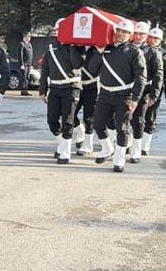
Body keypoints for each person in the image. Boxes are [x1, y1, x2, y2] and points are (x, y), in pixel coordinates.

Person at [87, 20, 146, 172]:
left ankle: (119, 160)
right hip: (105, 94)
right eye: (118, 30)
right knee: (98, 123)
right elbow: (92, 69)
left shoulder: (135, 52)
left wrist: (135, 99)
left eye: (124, 31)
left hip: (124, 95)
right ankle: (108, 148)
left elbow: (140, 77)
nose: (120, 33)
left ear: (129, 34)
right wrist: (98, 53)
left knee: (122, 128)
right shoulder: (105, 49)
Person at [39, 19, 85, 164]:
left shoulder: (77, 46)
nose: (59, 33)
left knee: (67, 120)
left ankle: (65, 152)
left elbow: (77, 64)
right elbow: (45, 68)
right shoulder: (51, 46)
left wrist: (71, 46)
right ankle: (62, 143)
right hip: (55, 88)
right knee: (52, 120)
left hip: (71, 87)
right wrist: (42, 89)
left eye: (63, 30)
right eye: (58, 30)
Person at [127, 22, 163, 164]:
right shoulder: (126, 48)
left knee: (138, 120)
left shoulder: (153, 53)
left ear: (146, 35)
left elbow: (158, 75)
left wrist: (154, 94)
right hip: (125, 90)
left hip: (144, 91)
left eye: (142, 34)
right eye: (136, 33)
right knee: (121, 120)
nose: (138, 36)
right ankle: (125, 144)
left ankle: (136, 151)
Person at [142, 27, 166, 156]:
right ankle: (132, 143)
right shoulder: (140, 51)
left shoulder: (165, 55)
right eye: (150, 37)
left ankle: (145, 145)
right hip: (139, 88)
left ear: (160, 40)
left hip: (155, 89)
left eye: (156, 38)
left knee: (150, 116)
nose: (153, 40)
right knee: (135, 117)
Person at [74, 46, 100, 156]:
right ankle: (80, 131)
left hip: (92, 86)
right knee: (69, 113)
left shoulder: (97, 49)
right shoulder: (75, 47)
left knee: (89, 117)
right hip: (76, 85)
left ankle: (88, 145)